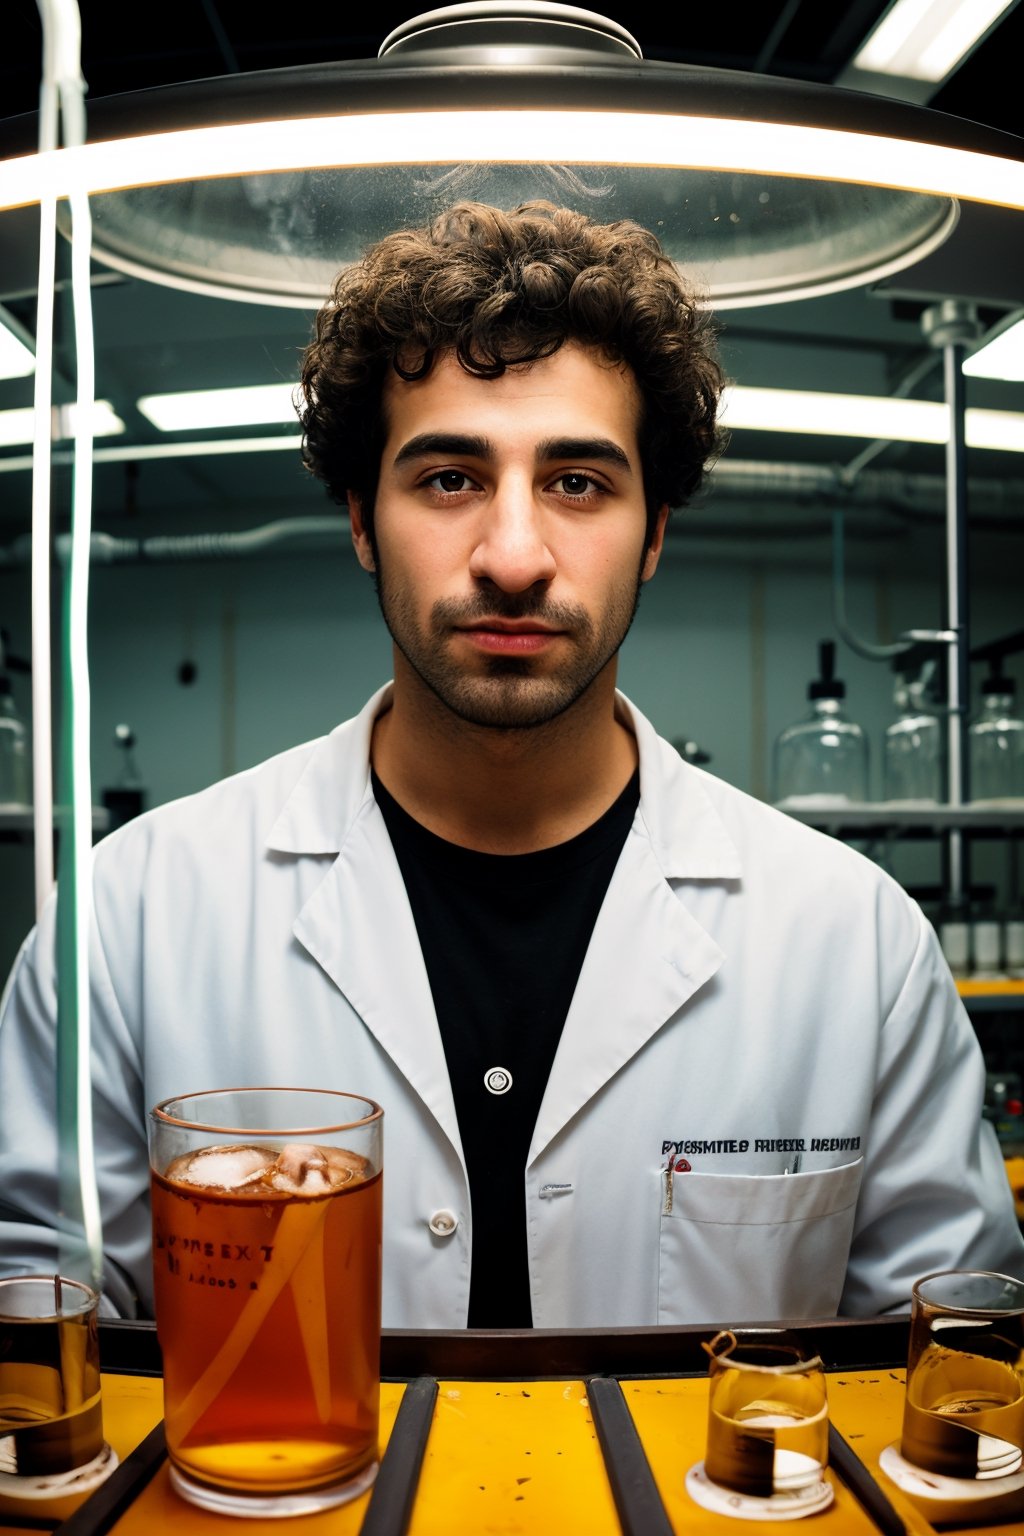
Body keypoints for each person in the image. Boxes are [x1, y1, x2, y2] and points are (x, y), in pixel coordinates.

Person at [0, 201, 1021, 1327]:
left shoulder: (854, 944)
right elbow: (38, 1328)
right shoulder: (132, 921)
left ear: (656, 534)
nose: (515, 557)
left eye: (579, 482)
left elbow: (954, 1363)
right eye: (448, 478)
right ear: (358, 518)